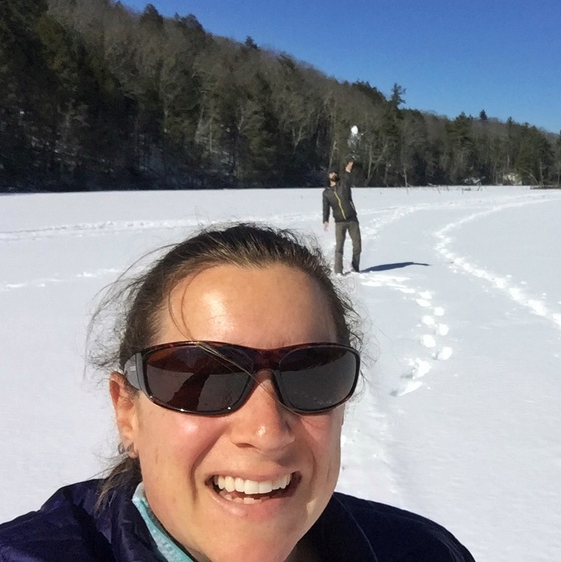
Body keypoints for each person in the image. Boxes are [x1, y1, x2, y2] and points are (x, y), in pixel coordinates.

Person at [0, 223, 474, 561]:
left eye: (311, 374)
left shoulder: (423, 550)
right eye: (201, 377)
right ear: (128, 412)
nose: (267, 430)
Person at [323, 159, 362, 274]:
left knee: (357, 246)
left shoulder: (344, 185)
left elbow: (348, 177)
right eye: (331, 173)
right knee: (339, 247)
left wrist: (348, 170)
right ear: (328, 176)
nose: (333, 175)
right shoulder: (326, 193)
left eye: (335, 173)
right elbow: (325, 207)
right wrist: (325, 220)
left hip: (352, 220)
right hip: (339, 222)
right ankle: (338, 271)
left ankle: (355, 267)